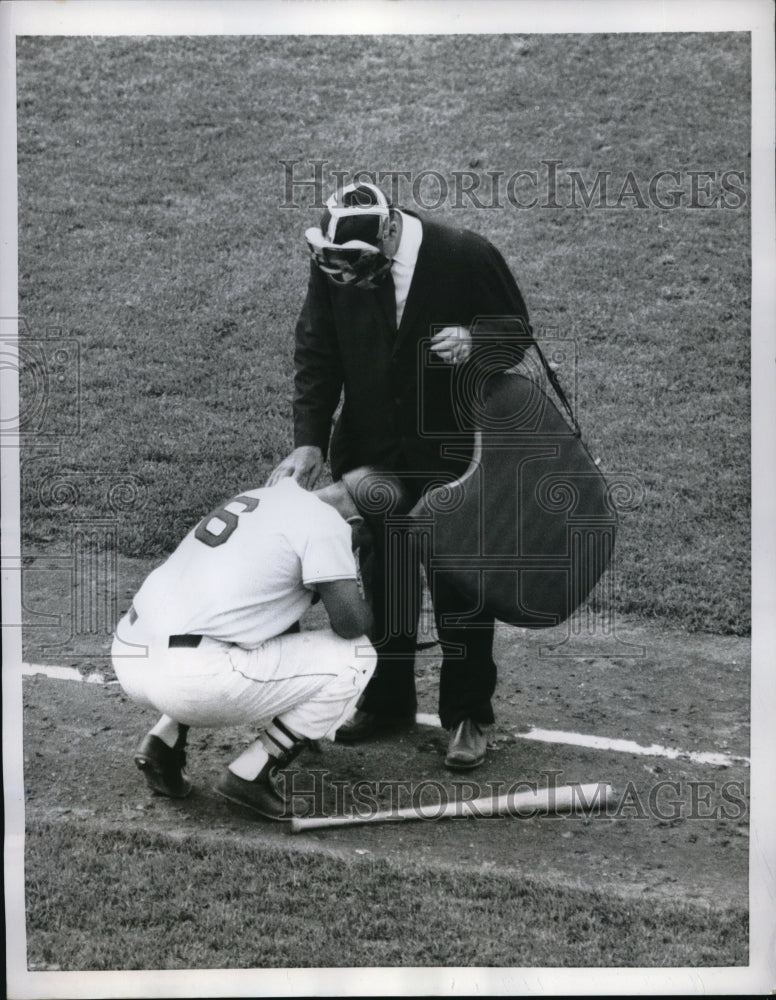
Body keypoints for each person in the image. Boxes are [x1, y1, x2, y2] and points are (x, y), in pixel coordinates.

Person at [268, 181, 535, 771]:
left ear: (388, 232)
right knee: (383, 579)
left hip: (456, 455)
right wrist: (310, 440)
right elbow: (318, 350)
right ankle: (387, 701)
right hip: (373, 455)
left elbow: (517, 332)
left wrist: (476, 340)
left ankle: (468, 715)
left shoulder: (465, 254)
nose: (346, 278)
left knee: (460, 585)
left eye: (356, 267)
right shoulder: (337, 263)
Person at [110, 476, 376, 821]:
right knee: (358, 655)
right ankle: (251, 774)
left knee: (226, 627)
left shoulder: (268, 496)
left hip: (130, 653)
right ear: (355, 523)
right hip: (190, 680)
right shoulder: (329, 526)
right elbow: (351, 625)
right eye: (364, 541)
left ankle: (164, 739)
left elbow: (267, 618)